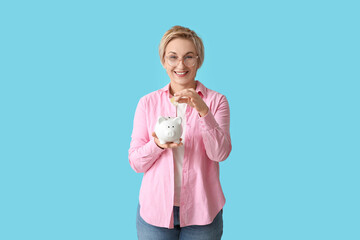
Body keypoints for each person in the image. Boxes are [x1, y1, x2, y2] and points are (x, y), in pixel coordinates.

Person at [128, 25, 232, 240]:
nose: (180, 65)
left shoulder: (217, 101)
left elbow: (219, 154)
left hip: (203, 213)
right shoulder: (147, 104)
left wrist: (203, 111)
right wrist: (157, 145)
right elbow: (136, 163)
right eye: (173, 57)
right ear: (164, 61)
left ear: (199, 60)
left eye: (189, 57)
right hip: (155, 214)